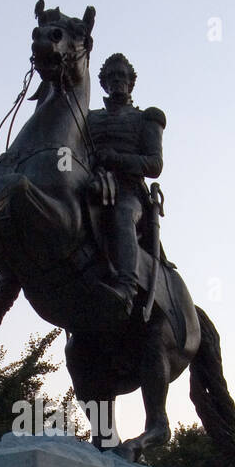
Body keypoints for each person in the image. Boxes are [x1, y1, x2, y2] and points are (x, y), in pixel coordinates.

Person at [87, 53, 166, 318]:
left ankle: (126, 287)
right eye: (112, 77)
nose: (117, 81)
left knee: (122, 215)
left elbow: (154, 164)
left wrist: (117, 159)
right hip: (92, 184)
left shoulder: (146, 118)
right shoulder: (89, 118)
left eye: (122, 76)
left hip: (129, 191)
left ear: (131, 82)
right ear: (103, 83)